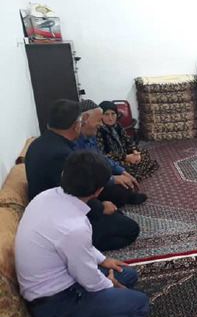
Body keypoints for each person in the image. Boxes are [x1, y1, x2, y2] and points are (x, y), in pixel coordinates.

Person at [16, 151, 149, 317]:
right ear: (99, 191)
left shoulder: (46, 196)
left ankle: (94, 307)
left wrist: (103, 260)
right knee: (140, 305)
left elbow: (78, 248)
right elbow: (90, 280)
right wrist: (110, 284)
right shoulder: (74, 227)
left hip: (55, 285)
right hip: (54, 302)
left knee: (129, 275)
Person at [25, 99, 140, 251]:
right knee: (130, 228)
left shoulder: (44, 142)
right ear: (76, 125)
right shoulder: (60, 154)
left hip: (56, 206)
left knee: (117, 210)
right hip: (58, 219)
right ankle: (76, 247)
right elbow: (70, 194)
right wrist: (100, 208)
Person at [75, 99, 148, 207]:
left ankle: (126, 194)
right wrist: (112, 179)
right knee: (118, 190)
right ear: (86, 119)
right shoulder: (75, 141)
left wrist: (121, 171)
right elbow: (85, 173)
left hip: (98, 169)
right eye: (99, 120)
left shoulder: (91, 134)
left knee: (124, 170)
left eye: (113, 114)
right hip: (88, 180)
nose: (101, 124)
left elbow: (100, 157)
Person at [97, 101, 159, 181]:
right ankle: (132, 174)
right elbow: (102, 155)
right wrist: (125, 157)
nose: (110, 118)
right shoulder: (98, 131)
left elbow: (128, 141)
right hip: (113, 161)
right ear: (101, 116)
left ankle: (133, 173)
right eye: (106, 114)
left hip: (125, 154)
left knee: (144, 153)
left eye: (113, 114)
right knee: (123, 168)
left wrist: (134, 151)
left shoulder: (117, 126)